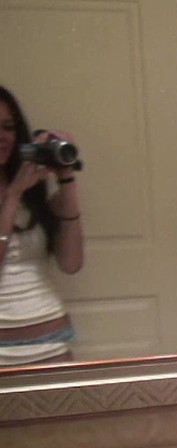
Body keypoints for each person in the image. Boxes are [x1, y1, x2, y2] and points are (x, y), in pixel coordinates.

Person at [0, 86, 84, 366]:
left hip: (51, 338)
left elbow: (71, 263)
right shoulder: (19, 189)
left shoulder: (32, 190)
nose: (2, 136)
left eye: (8, 127)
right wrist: (13, 195)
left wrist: (66, 177)